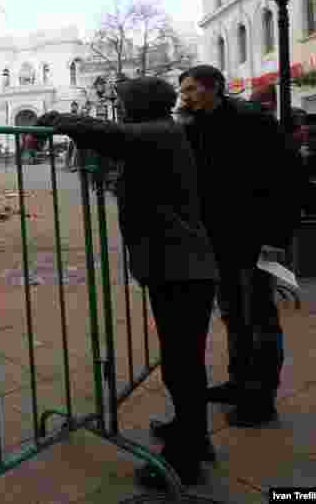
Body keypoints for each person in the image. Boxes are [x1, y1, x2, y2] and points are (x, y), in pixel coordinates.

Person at [39, 77, 219, 489]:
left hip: (182, 269)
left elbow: (114, 134)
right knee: (180, 362)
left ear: (141, 105)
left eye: (123, 102)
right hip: (175, 267)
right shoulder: (159, 135)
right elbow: (114, 145)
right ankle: (192, 435)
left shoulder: (159, 132)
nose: (119, 108)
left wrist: (64, 120)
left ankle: (185, 460)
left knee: (183, 364)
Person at [177, 65, 301, 428]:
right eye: (182, 92)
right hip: (222, 241)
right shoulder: (198, 126)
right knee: (234, 314)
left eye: (190, 90)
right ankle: (239, 382)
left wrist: (276, 239)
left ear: (214, 87)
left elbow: (285, 177)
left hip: (258, 239)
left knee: (259, 317)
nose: (184, 98)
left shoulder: (252, 121)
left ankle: (261, 399)